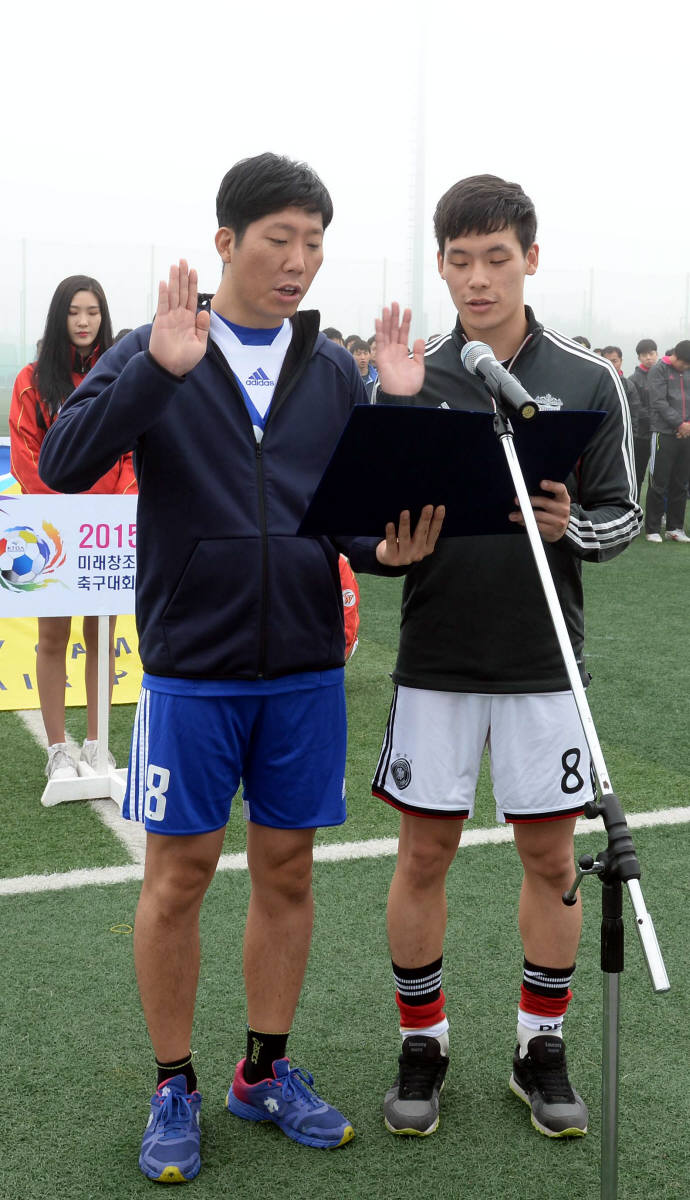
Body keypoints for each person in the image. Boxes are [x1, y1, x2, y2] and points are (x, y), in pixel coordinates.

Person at [39, 153, 444, 1184]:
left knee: (288, 872)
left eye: (314, 243)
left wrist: (380, 533)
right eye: (279, 240)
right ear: (226, 241)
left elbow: (346, 516)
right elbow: (64, 463)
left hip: (306, 665)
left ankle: (262, 1070)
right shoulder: (157, 348)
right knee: (176, 879)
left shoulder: (333, 369)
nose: (299, 263)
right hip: (191, 668)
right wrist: (155, 370)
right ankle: (172, 1081)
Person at [370, 173, 641, 1141]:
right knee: (424, 851)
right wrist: (385, 546)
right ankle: (423, 1042)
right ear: (441, 266)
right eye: (458, 260)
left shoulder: (586, 376)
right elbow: (370, 527)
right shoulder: (412, 373)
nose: (477, 278)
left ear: (530, 255)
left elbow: (625, 515)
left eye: (495, 257)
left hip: (543, 661)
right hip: (437, 658)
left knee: (551, 855)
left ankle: (540, 1044)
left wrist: (577, 530)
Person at [9, 275, 137, 780]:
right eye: (74, 312)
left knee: (102, 637)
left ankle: (96, 743)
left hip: (105, 531)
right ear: (59, 317)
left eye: (93, 312)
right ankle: (58, 749)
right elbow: (25, 460)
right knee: (52, 638)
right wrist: (66, 515)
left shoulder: (120, 375)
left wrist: (117, 505)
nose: (84, 322)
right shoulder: (31, 380)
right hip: (54, 534)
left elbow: (130, 452)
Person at [644, 340, 690, 543]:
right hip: (663, 433)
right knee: (659, 482)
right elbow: (658, 402)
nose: (686, 368)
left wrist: (687, 425)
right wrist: (679, 424)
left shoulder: (688, 369)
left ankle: (675, 528)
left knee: (680, 483)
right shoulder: (659, 370)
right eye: (685, 364)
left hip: (686, 434)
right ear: (676, 357)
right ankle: (652, 528)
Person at [627, 338, 657, 500]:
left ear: (657, 354)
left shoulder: (662, 376)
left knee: (658, 477)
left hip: (661, 434)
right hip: (641, 436)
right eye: (644, 355)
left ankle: (658, 515)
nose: (649, 358)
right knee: (637, 476)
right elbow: (638, 409)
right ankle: (635, 510)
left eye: (651, 353)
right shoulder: (634, 379)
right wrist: (660, 418)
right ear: (639, 357)